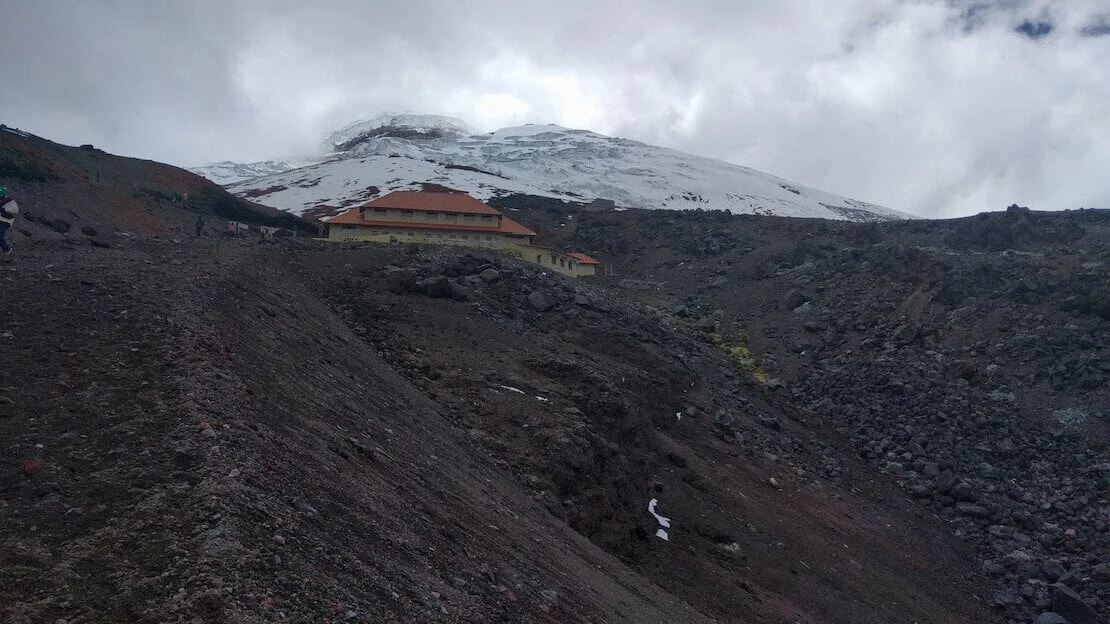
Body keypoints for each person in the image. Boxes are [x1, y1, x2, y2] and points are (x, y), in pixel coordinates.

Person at [0, 186, 18, 259]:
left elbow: (15, 210)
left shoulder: (9, 200)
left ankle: (7, 249)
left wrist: (4, 210)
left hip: (6, 221)